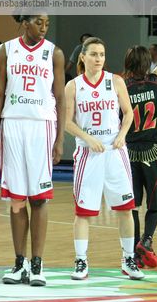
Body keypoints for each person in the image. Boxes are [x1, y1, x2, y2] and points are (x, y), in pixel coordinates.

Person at [0, 14, 65, 286]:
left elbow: (60, 97)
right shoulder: (6, 50)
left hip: (42, 126)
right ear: (25, 21)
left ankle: (37, 265)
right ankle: (19, 262)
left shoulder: (54, 52)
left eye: (47, 23)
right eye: (38, 22)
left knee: (39, 198)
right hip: (11, 125)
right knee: (17, 199)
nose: (44, 27)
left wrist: (59, 139)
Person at [64, 37, 143, 281]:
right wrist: (87, 138)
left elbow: (129, 113)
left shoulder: (115, 81)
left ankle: (129, 259)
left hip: (114, 151)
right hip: (89, 154)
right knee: (83, 212)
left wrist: (122, 135)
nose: (99, 59)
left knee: (125, 209)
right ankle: (81, 261)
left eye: (102, 54)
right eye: (94, 54)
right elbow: (66, 122)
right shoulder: (74, 86)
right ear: (83, 57)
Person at [124, 16, 157, 269]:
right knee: (156, 202)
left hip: (130, 151)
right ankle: (147, 239)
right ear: (148, 63)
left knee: (133, 203)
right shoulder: (156, 80)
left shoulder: (121, 87)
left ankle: (135, 249)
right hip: (155, 151)